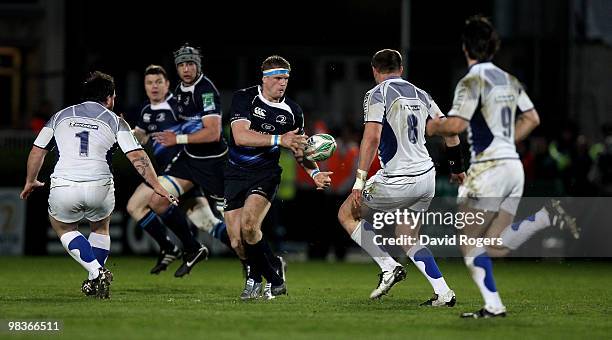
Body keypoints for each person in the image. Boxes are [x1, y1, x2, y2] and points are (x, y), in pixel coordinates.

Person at [426, 15, 578, 318]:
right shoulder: (509, 79)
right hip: (513, 166)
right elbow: (532, 118)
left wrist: (432, 127)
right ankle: (544, 218)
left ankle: (494, 306)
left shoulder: (471, 81)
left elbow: (456, 123)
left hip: (490, 168)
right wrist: (506, 141)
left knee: (469, 241)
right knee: (495, 245)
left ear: (465, 46)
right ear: (492, 48)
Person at [20, 71, 176, 299]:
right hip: (99, 185)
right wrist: (157, 185)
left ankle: (96, 271)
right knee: (100, 227)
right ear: (110, 97)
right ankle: (96, 278)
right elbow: (137, 156)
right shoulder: (115, 120)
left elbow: (37, 151)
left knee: (62, 227)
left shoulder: (60, 116)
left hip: (65, 185)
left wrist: (30, 180)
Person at [337, 49, 464, 305]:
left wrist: (359, 181)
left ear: (375, 70)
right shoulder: (422, 94)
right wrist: (457, 168)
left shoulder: (377, 93)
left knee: (346, 214)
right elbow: (450, 131)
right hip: (426, 177)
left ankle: (388, 267)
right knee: (407, 237)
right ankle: (443, 292)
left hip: (398, 179)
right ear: (401, 69)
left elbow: (371, 138)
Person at [226, 55, 332, 300]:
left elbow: (299, 149)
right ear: (264, 79)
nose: (282, 83)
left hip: (265, 173)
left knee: (250, 226)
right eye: (277, 79)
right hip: (234, 172)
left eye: (285, 79)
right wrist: (278, 139)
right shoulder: (244, 98)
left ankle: (263, 279)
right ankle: (272, 267)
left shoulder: (293, 111)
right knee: (236, 241)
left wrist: (314, 172)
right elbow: (240, 136)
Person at [127, 65, 228, 274]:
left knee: (136, 205)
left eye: (158, 82)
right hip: (175, 174)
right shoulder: (146, 111)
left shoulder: (178, 105)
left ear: (167, 85)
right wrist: (123, 130)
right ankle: (258, 257)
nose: (154, 87)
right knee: (208, 223)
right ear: (144, 87)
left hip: (182, 170)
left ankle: (176, 247)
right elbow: (141, 137)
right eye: (149, 83)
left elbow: (201, 128)